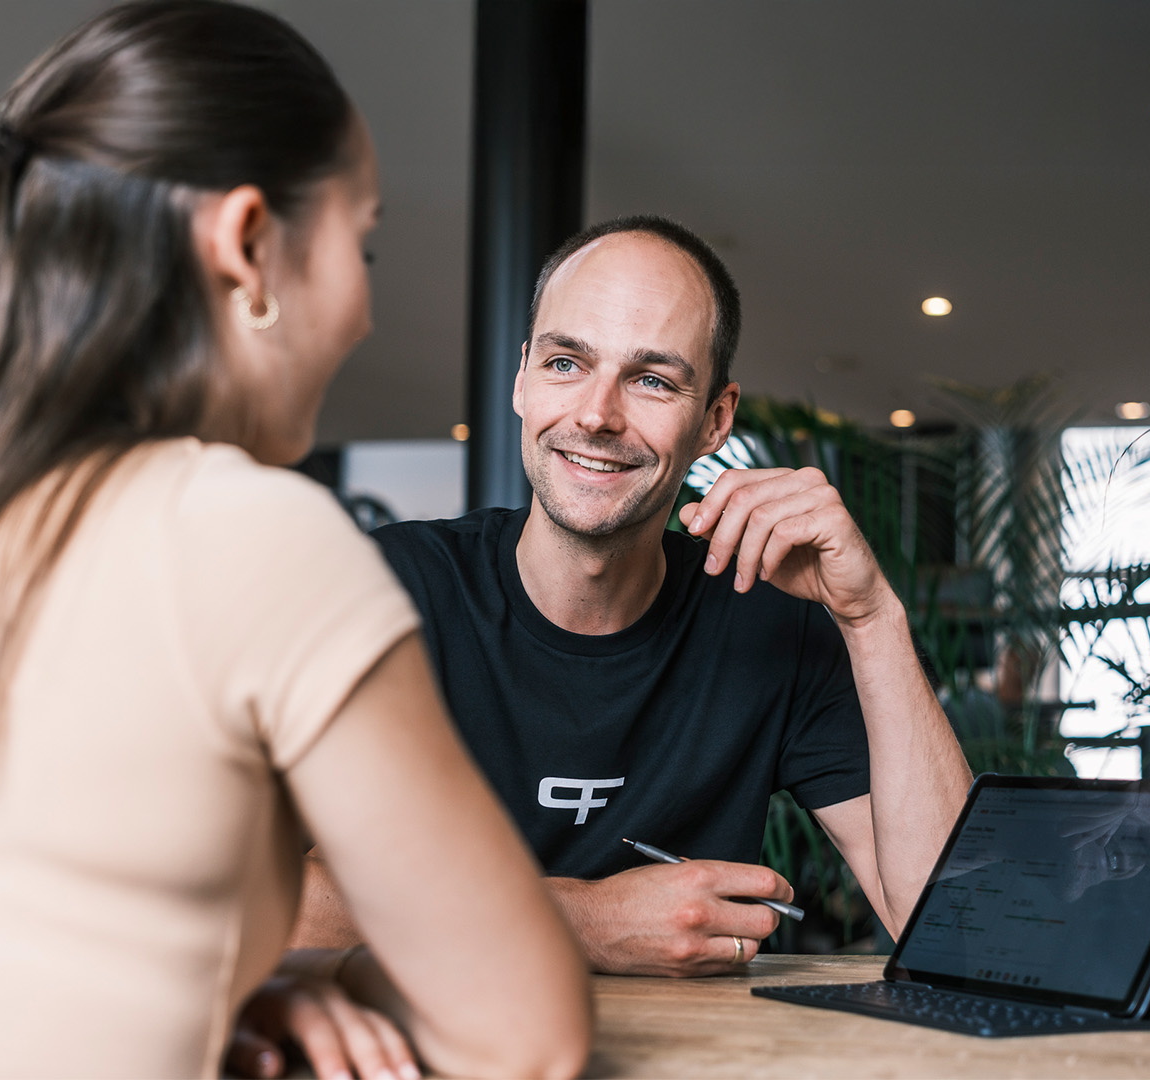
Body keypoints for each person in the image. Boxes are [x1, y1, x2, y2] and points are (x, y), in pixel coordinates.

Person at [0, 4, 589, 1077]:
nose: (368, 307)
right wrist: (341, 978)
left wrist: (229, 989)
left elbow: (21, 975)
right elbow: (527, 1033)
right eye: (358, 242)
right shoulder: (242, 532)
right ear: (245, 245)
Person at [292, 215, 973, 976]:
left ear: (715, 418)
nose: (596, 414)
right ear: (522, 379)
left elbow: (957, 927)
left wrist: (871, 616)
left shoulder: (775, 623)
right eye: (565, 363)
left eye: (652, 380)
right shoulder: (378, 587)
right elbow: (236, 892)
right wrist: (582, 920)